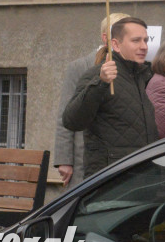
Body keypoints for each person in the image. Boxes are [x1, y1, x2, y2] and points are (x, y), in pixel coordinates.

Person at [62, 17, 159, 177]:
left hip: (141, 174)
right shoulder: (97, 74)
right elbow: (71, 120)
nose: (144, 46)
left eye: (146, 40)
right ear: (115, 44)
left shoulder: (142, 76)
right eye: (136, 41)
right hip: (111, 179)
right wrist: (100, 83)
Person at [53, 11, 128, 189]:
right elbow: (65, 114)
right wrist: (64, 160)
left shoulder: (133, 69)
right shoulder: (80, 67)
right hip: (83, 155)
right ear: (105, 37)